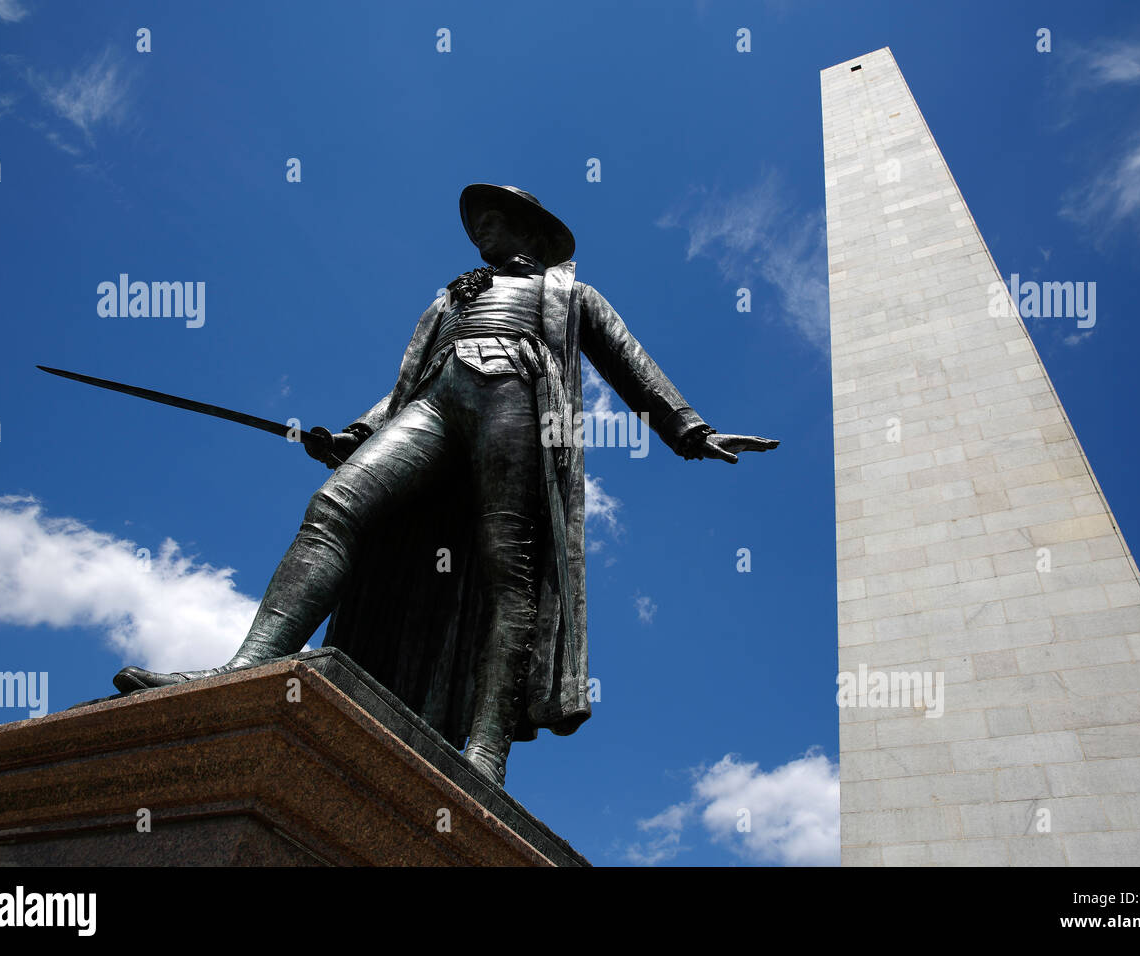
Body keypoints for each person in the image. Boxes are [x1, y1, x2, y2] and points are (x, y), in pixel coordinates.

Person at [114, 184, 778, 786]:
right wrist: (355, 431)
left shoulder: (571, 294)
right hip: (435, 400)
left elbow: (632, 363)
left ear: (531, 229)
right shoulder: (451, 297)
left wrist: (690, 431)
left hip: (515, 395)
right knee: (335, 506)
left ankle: (485, 749)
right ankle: (245, 671)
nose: (481, 230)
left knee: (506, 571)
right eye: (477, 223)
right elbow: (410, 378)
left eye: (494, 219)